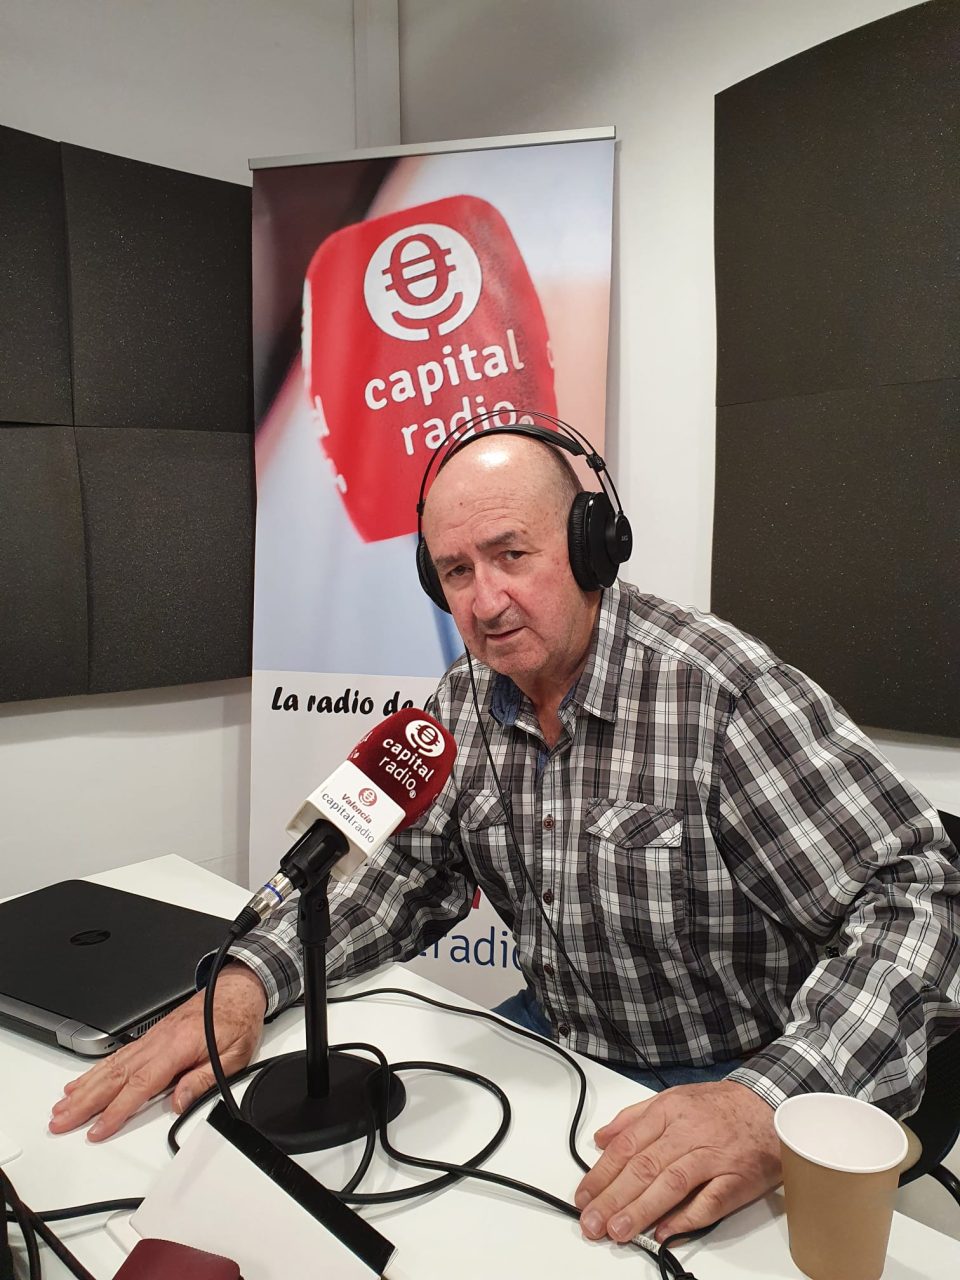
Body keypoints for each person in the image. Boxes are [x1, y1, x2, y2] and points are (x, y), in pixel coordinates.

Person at [50, 431, 960, 1248]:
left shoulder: (720, 693)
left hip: (730, 1072)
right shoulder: (463, 702)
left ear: (591, 545)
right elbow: (398, 879)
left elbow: (916, 888)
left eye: (511, 555)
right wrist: (250, 980)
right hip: (558, 1045)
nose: (485, 602)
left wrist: (769, 1103)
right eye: (455, 571)